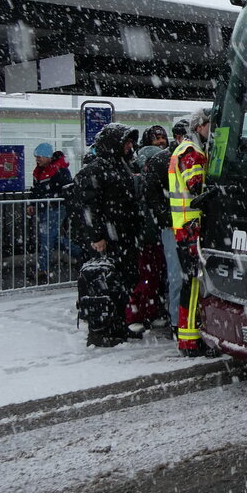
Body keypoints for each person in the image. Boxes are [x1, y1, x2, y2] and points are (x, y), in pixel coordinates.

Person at [70, 123, 142, 346]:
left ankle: (117, 325)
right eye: (125, 142)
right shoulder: (95, 170)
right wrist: (96, 236)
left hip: (124, 235)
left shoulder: (121, 166)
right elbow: (87, 207)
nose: (129, 146)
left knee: (122, 282)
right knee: (104, 283)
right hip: (108, 239)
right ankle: (101, 330)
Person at [169, 108, 214, 356]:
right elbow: (197, 187)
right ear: (199, 126)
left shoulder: (182, 149)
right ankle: (190, 341)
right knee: (195, 284)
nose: (212, 130)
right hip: (191, 227)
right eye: (209, 125)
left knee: (191, 283)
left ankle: (189, 337)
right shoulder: (191, 152)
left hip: (184, 226)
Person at [125, 141, 172, 335]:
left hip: (154, 237)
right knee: (146, 278)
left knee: (154, 278)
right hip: (146, 238)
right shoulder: (140, 183)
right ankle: (136, 315)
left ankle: (151, 312)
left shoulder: (149, 182)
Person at [159, 118, 189, 328]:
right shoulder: (167, 160)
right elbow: (154, 195)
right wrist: (166, 218)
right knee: (178, 277)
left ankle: (181, 320)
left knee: (182, 277)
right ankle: (177, 322)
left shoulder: (179, 156)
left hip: (185, 225)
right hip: (176, 226)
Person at [27, 142, 73, 281]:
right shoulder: (40, 171)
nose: (37, 159)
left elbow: (66, 190)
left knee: (46, 238)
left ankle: (43, 269)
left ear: (48, 156)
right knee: (51, 238)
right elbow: (36, 190)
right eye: (36, 157)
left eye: (40, 156)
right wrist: (31, 203)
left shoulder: (59, 170)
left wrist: (49, 199)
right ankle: (81, 252)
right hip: (46, 208)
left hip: (55, 208)